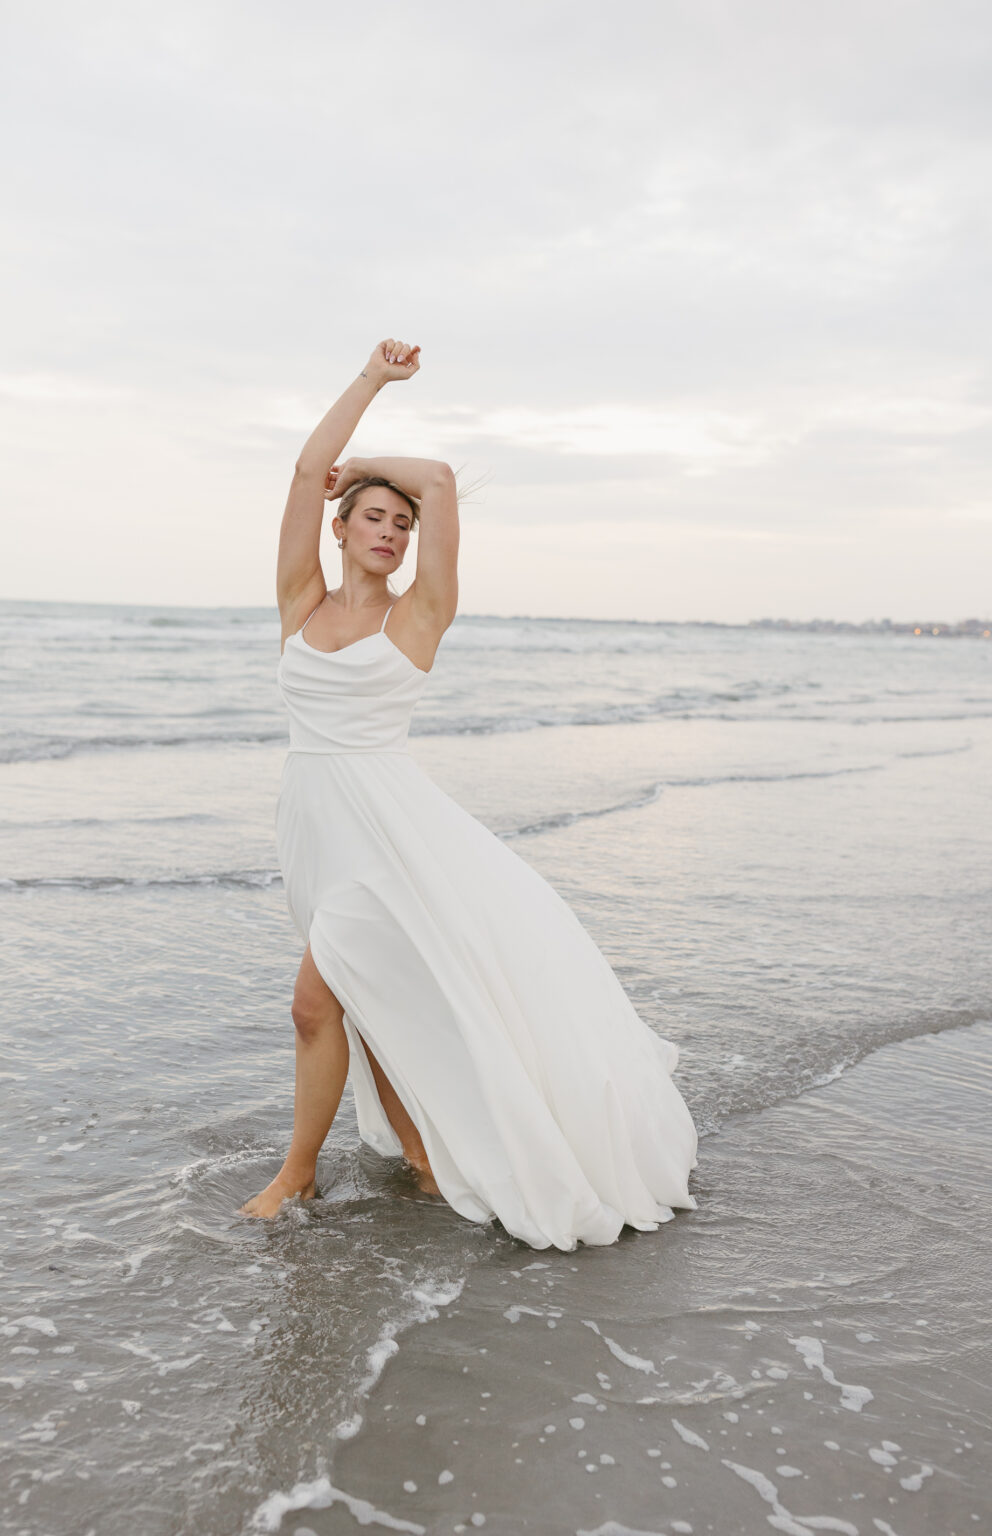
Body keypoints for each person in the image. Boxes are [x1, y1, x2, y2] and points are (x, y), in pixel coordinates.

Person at [241, 338, 699, 1250]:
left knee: (313, 1005)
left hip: (387, 837)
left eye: (399, 525)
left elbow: (441, 481)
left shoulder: (419, 614)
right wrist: (365, 385)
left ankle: (297, 1174)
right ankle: (420, 1155)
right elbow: (301, 473)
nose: (389, 532)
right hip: (315, 827)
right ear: (340, 528)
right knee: (365, 1001)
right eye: (372, 517)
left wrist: (366, 465)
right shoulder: (301, 602)